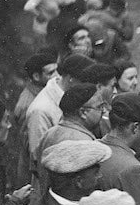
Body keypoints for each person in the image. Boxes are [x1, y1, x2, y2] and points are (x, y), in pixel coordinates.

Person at [27, 53, 97, 185]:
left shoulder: (72, 97)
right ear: (71, 79)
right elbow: (39, 157)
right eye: (85, 82)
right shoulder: (41, 110)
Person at [11, 51, 57, 186]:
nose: (56, 76)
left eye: (57, 71)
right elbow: (34, 148)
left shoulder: (44, 92)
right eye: (50, 73)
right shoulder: (28, 104)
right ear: (36, 76)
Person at [39, 83, 107, 156]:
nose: (104, 111)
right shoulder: (85, 145)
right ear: (83, 113)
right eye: (99, 107)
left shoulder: (48, 135)